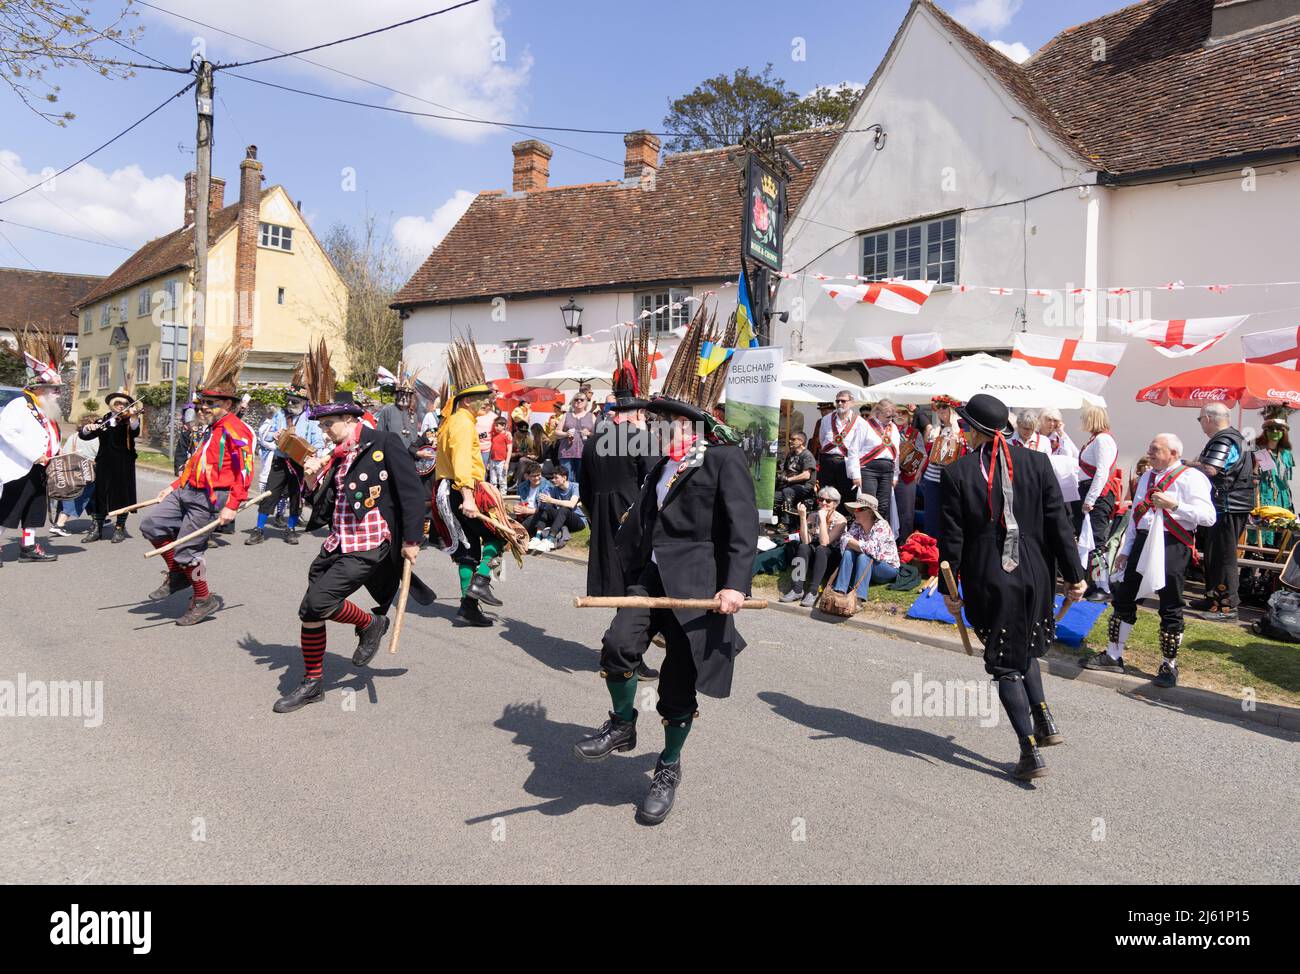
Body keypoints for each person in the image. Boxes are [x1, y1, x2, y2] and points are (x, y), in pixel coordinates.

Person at [573, 304, 758, 825]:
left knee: (677, 688)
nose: (657, 427)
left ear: (693, 424)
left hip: (697, 589)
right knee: (616, 646)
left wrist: (735, 586)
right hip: (651, 579)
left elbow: (745, 531)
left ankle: (668, 766)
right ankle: (622, 722)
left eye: (667, 420)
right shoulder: (659, 461)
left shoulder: (723, 461)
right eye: (656, 419)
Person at [938, 394, 1085, 782]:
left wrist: (948, 591)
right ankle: (1045, 719)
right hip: (1035, 575)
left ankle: (1029, 751)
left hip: (990, 579)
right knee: (1023, 648)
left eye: (965, 425)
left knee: (1005, 664)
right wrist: (1074, 573)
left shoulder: (956, 473)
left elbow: (951, 543)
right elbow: (1060, 524)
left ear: (974, 430)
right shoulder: (1037, 462)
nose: (962, 431)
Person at [275, 360, 430, 714]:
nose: (325, 431)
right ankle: (314, 682)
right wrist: (312, 478)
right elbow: (322, 506)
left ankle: (371, 623)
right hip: (339, 542)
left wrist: (411, 541)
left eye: (329, 424)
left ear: (351, 419)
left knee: (318, 602)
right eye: (322, 425)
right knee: (309, 611)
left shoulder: (384, 443)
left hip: (370, 544)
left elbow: (411, 494)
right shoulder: (336, 456)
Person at [1084, 434, 1215, 687]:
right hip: (1143, 541)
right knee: (1124, 597)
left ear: (1174, 453)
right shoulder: (1146, 477)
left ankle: (1169, 665)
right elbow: (1136, 515)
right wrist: (1125, 549)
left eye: (1156, 449)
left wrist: (1174, 505)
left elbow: (1209, 517)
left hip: (1172, 543)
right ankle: (1113, 655)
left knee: (1169, 603)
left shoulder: (1191, 477)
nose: (1150, 452)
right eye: (1150, 448)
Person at [139, 342, 255, 625]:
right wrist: (175, 484)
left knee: (188, 551)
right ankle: (178, 574)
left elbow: (245, 471)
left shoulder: (237, 431)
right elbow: (196, 462)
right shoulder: (211, 429)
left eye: (210, 404)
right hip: (186, 491)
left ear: (227, 405)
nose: (203, 407)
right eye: (201, 402)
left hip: (211, 498)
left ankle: (203, 598)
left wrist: (233, 505)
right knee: (151, 526)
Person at [430, 338, 527, 627]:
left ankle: (468, 606)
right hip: (461, 489)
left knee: (469, 549)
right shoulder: (461, 422)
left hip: (453, 488)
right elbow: (461, 462)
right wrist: (469, 497)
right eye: (483, 397)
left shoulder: (457, 420)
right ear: (467, 400)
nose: (488, 401)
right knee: (500, 535)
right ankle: (481, 581)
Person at [579, 327, 658, 600]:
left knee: (612, 579)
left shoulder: (591, 441)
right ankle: (625, 636)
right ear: (637, 411)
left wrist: (596, 512)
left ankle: (621, 630)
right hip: (633, 517)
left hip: (601, 516)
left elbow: (584, 491)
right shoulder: (642, 439)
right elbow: (656, 483)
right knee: (634, 576)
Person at [0, 328, 66, 564]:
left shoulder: (43, 408)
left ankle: (28, 547)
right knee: (10, 507)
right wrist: (34, 455)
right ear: (39, 388)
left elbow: (49, 435)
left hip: (41, 467)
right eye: (54, 389)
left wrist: (57, 453)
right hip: (20, 466)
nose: (58, 393)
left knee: (35, 508)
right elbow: (6, 431)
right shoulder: (20, 404)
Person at [1189, 402, 1254, 621]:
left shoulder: (1224, 439)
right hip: (1228, 504)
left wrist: (1185, 464)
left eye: (1199, 420)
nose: (1200, 425)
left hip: (1228, 505)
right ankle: (1213, 599)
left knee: (1224, 556)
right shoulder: (1233, 437)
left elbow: (1210, 469)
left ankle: (1228, 607)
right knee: (1214, 554)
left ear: (1208, 418)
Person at [248, 381, 324, 546]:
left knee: (296, 497)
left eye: (294, 401)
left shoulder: (312, 418)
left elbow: (318, 443)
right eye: (288, 400)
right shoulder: (280, 415)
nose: (290, 404)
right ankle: (259, 529)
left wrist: (304, 448)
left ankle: (291, 530)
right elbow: (266, 436)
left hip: (299, 464)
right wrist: (275, 435)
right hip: (280, 461)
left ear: (304, 402)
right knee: (269, 494)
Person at [77, 389, 142, 543]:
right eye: (118, 403)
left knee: (122, 495)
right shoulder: (103, 420)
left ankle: (119, 528)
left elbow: (135, 430)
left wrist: (134, 416)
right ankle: (97, 528)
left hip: (123, 463)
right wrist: (87, 428)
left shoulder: (128, 420)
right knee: (100, 495)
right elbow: (85, 436)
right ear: (112, 405)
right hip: (104, 462)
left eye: (124, 404)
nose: (121, 406)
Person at [1076, 404, 1120, 602]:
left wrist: (1091, 498)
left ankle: (1103, 586)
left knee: (1097, 541)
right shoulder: (1096, 439)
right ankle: (1091, 583)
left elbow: (1102, 472)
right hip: (1091, 492)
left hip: (1098, 496)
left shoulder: (1103, 440)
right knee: (1089, 539)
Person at [779, 487, 846, 607]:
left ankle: (813, 591)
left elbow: (825, 542)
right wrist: (803, 517)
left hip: (830, 558)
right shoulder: (813, 515)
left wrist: (822, 520)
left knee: (821, 549)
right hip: (815, 555)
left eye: (828, 501)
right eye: (821, 499)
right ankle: (797, 589)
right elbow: (806, 540)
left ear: (835, 504)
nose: (823, 503)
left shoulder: (841, 520)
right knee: (803, 547)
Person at [832, 495, 900, 601]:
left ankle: (858, 598)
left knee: (864, 556)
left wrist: (852, 542)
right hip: (866, 565)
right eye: (855, 509)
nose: (855, 512)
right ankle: (840, 590)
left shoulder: (882, 526)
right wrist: (854, 544)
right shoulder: (856, 523)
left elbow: (873, 552)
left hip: (886, 568)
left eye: (858, 509)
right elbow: (844, 539)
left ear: (870, 512)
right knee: (849, 552)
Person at [919, 394, 965, 547]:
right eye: (937, 408)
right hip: (932, 479)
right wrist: (919, 472)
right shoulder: (935, 430)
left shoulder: (961, 431)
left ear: (952, 409)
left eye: (944, 407)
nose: (940, 411)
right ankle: (930, 552)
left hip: (951, 480)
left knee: (949, 517)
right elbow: (927, 455)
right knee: (931, 517)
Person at [816, 390, 869, 515]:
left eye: (843, 401)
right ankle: (826, 524)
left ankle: (844, 526)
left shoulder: (860, 422)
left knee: (846, 496)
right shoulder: (826, 419)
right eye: (838, 401)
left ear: (852, 403)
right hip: (828, 462)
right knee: (826, 496)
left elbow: (862, 446)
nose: (840, 403)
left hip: (846, 463)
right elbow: (822, 439)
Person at [1247, 412, 1293, 547]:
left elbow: (1285, 479)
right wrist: (1254, 469)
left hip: (1280, 499)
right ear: (1265, 431)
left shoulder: (1285, 453)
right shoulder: (1254, 448)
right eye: (1271, 429)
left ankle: (1270, 561)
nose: (1275, 432)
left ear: (1284, 432)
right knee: (1256, 535)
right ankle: (1251, 561)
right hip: (1261, 495)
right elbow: (1246, 472)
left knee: (1277, 534)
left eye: (1278, 429)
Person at [859, 398, 900, 527]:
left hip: (888, 471)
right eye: (887, 415)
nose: (890, 419)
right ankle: (866, 533)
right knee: (869, 503)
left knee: (883, 505)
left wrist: (895, 475)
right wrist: (855, 474)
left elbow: (896, 453)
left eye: (892, 416)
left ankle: (879, 535)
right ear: (877, 413)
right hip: (868, 469)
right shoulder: (866, 425)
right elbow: (855, 450)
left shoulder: (893, 428)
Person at [774, 431, 816, 532]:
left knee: (788, 491)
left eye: (793, 439)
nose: (790, 441)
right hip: (790, 486)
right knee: (773, 496)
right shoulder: (791, 454)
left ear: (801, 441)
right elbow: (786, 470)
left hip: (804, 486)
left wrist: (789, 479)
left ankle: (785, 524)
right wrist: (780, 476)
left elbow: (806, 475)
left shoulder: (807, 455)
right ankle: (773, 520)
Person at [558, 393, 596, 483]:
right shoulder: (566, 415)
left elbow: (597, 434)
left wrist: (589, 433)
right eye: (576, 399)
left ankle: (580, 497)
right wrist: (565, 434)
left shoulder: (591, 416)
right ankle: (569, 497)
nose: (579, 401)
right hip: (566, 453)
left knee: (582, 480)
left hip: (584, 453)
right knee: (566, 479)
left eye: (582, 400)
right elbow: (557, 432)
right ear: (572, 402)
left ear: (586, 402)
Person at [487, 414, 511, 491]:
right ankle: (494, 496)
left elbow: (509, 449)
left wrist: (507, 462)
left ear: (503, 426)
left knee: (502, 481)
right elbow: (491, 449)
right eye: (495, 425)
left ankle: (503, 498)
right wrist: (488, 462)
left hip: (502, 461)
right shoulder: (493, 435)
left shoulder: (506, 435)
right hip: (493, 460)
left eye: (498, 425)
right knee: (492, 481)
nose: (495, 427)